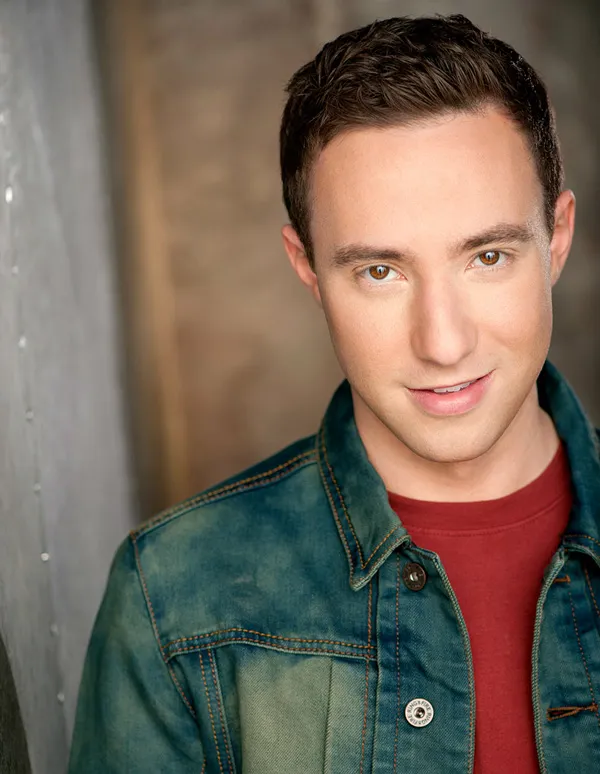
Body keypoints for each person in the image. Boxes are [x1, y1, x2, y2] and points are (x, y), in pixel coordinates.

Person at [69, 14, 600, 774]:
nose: (443, 342)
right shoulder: (175, 598)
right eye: (379, 271)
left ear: (558, 237)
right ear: (308, 268)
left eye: (487, 256)